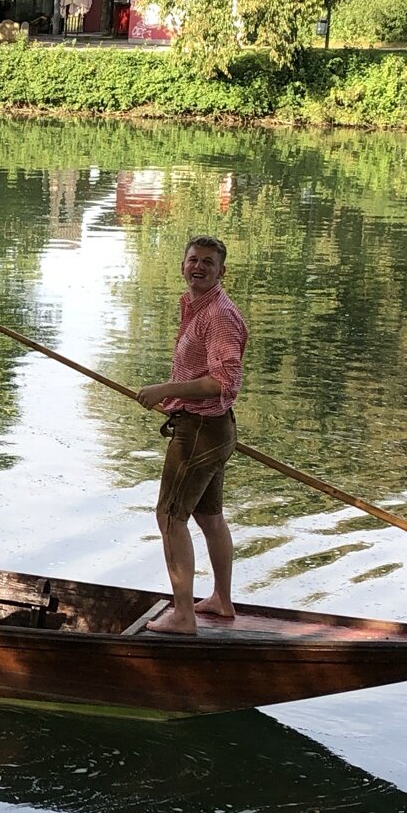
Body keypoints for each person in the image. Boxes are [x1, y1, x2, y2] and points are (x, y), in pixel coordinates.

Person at [134, 234, 248, 634]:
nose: (198, 267)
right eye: (193, 260)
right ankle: (221, 600)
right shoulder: (194, 306)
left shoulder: (218, 314)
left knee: (169, 517)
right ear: (183, 264)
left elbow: (221, 382)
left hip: (201, 433)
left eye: (208, 263)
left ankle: (183, 616)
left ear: (221, 271)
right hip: (210, 428)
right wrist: (174, 399)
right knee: (208, 515)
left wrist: (165, 391)